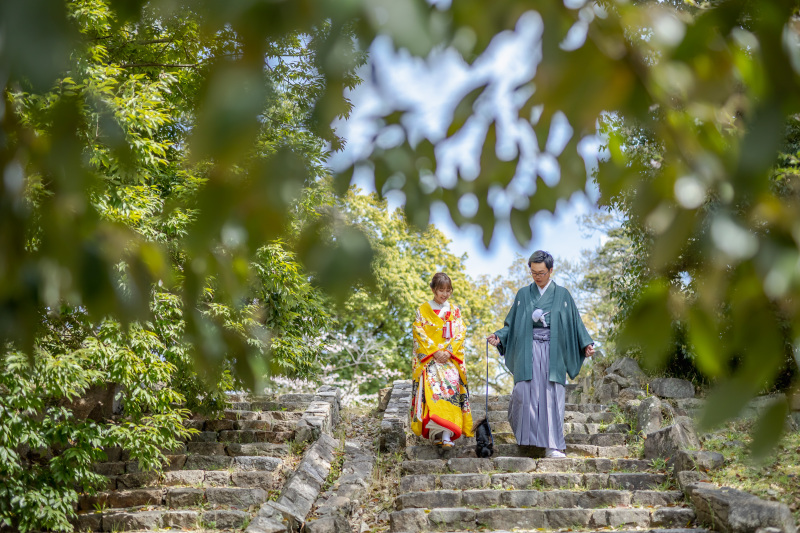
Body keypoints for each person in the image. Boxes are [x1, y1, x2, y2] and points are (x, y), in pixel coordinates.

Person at [487, 250, 594, 458]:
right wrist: (499, 337)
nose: (537, 276)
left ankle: (552, 446)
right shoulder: (523, 295)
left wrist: (585, 344)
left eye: (542, 272)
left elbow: (575, 323)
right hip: (528, 350)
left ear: (551, 270)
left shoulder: (562, 295)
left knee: (552, 394)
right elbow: (511, 323)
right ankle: (529, 440)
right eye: (534, 272)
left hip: (554, 351)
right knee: (523, 391)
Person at [410, 272, 474, 448]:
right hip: (430, 360)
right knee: (433, 397)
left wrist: (448, 351)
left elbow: (461, 332)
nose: (445, 294)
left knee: (450, 396)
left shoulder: (455, 310)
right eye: (441, 290)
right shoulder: (423, 310)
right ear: (433, 289)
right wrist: (434, 351)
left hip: (449, 361)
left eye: (448, 290)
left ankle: (447, 435)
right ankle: (436, 434)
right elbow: (418, 332)